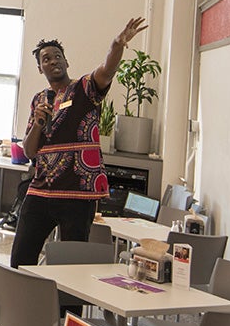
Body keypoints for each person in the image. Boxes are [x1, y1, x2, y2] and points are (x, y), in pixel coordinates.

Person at [10, 17, 147, 269]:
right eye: (46, 59)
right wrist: (38, 123)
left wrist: (117, 45)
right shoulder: (39, 100)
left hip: (78, 193)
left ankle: (65, 310)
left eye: (57, 56)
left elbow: (106, 70)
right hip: (41, 189)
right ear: (40, 68)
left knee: (72, 267)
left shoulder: (84, 89)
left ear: (66, 61)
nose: (53, 61)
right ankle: (25, 307)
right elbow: (30, 151)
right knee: (21, 258)